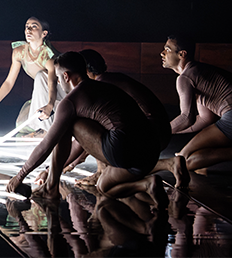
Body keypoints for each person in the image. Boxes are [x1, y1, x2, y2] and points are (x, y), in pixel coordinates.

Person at [6, 52, 166, 208]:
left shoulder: (71, 101)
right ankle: (148, 184)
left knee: (69, 123)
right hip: (150, 151)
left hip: (124, 150)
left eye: (58, 78)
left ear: (66, 76)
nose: (58, 83)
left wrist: (20, 176)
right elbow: (82, 143)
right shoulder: (103, 87)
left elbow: (47, 144)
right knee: (104, 187)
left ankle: (50, 189)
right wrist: (50, 170)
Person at [153, 36, 232, 186]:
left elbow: (186, 118)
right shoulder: (198, 71)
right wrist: (172, 131)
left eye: (167, 49)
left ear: (182, 54)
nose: (162, 53)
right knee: (185, 156)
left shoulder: (185, 78)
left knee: (182, 160)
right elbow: (205, 118)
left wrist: (159, 132)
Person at [64, 49, 171, 186]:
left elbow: (89, 136)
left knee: (98, 125)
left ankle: (101, 172)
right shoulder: (112, 78)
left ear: (85, 70)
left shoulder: (101, 85)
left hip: (152, 135)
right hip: (158, 132)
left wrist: (69, 163)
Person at [0, 17, 64, 133]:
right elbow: (9, 82)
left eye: (34, 26)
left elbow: (52, 83)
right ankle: (43, 129)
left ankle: (48, 132)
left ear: (44, 33)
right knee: (23, 123)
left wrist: (49, 105)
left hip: (60, 92)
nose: (29, 30)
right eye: (27, 26)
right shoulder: (19, 52)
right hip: (45, 92)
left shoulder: (47, 55)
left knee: (40, 76)